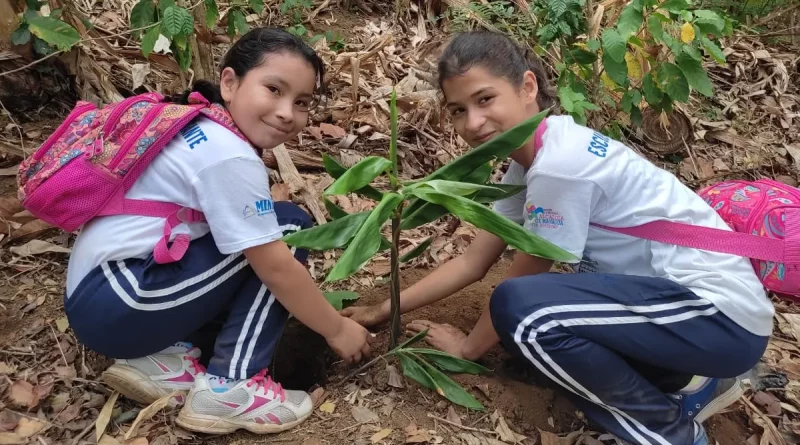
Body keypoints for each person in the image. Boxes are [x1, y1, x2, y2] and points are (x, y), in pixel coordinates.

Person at [342, 30, 774, 445]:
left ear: (527, 86)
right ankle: (688, 383)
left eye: (485, 99)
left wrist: (468, 348)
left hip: (716, 319)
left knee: (522, 313)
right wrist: (385, 309)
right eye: (458, 110)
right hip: (697, 316)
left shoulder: (558, 166)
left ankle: (667, 432)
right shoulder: (534, 160)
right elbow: (474, 262)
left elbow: (524, 283)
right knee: (525, 323)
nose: (473, 122)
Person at [63, 27, 373, 435]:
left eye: (301, 102)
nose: (286, 112)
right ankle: (232, 386)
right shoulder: (228, 155)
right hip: (122, 301)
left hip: (102, 298)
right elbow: (275, 269)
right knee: (289, 227)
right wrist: (336, 328)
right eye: (274, 89)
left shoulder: (200, 128)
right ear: (230, 82)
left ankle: (164, 361)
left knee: (267, 229)